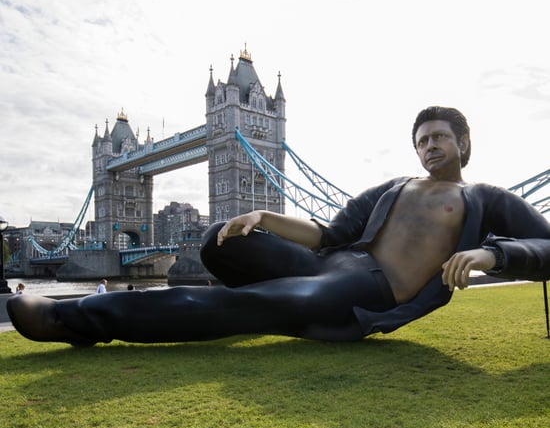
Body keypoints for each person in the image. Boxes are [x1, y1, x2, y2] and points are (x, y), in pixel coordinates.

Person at [6, 106, 550, 346]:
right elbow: (328, 235)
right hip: (331, 264)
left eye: (440, 137)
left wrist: (494, 255)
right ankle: (276, 297)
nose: (430, 146)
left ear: (463, 144)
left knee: (234, 305)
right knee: (220, 237)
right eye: (423, 139)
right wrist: (262, 216)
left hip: (370, 288)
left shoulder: (484, 198)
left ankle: (73, 318)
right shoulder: (392, 188)